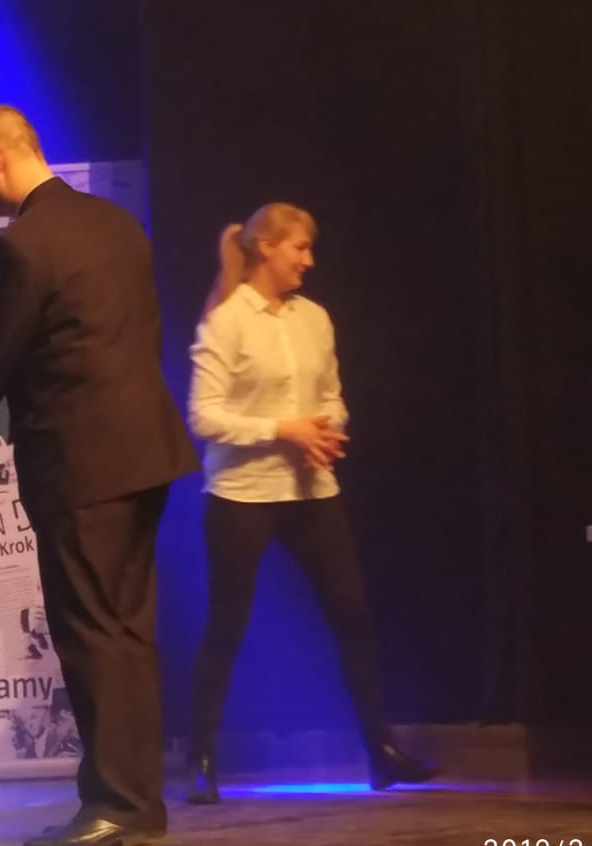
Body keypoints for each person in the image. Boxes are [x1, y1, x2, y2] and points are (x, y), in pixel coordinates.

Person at [0, 105, 200, 846]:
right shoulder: (118, 225)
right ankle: (138, 800)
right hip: (146, 453)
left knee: (89, 632)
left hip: (81, 462)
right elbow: (144, 335)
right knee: (128, 629)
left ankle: (113, 803)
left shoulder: (21, 247)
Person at [184, 204, 438, 804]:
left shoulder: (315, 318)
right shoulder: (227, 321)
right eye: (299, 247)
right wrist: (283, 429)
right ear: (267, 247)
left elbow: (331, 396)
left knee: (353, 612)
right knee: (227, 625)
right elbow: (203, 416)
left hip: (311, 490)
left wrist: (325, 430)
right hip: (242, 494)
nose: (309, 260)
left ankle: (380, 750)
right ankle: (200, 759)